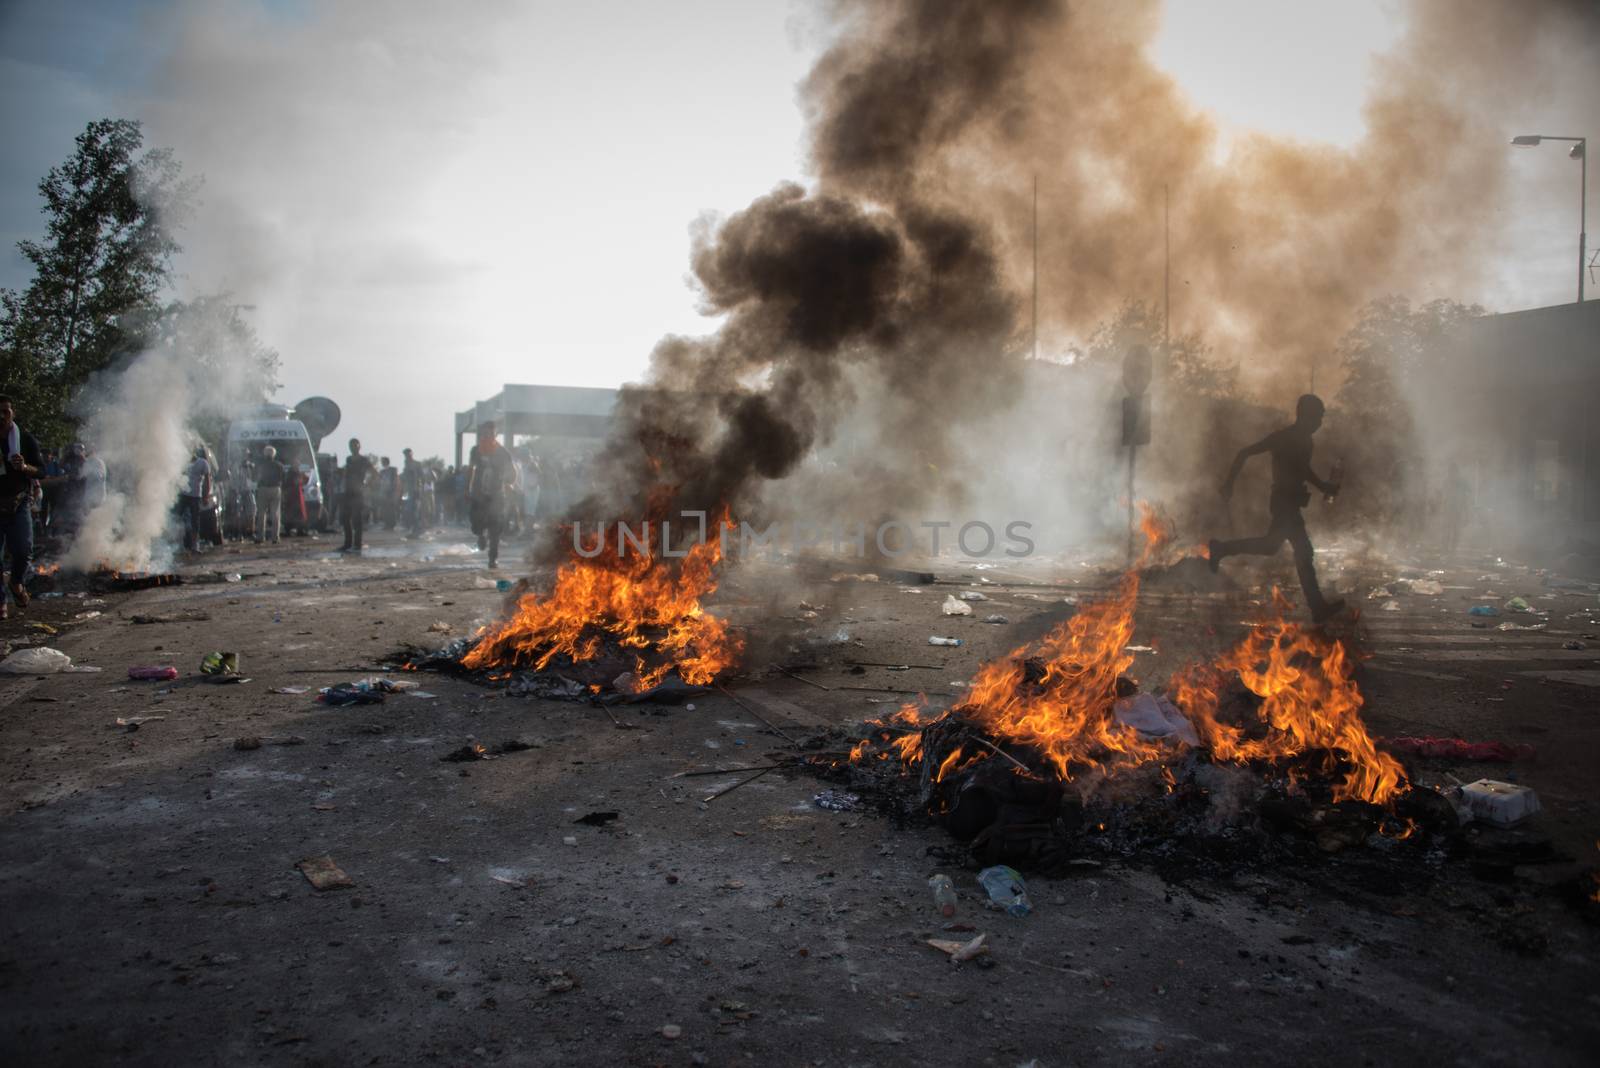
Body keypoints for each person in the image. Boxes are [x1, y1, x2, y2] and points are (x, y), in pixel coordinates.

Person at [1208, 394, 1345, 623]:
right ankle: (1317, 606)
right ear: (1304, 415)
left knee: (1272, 546)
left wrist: (1323, 486)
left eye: (1321, 418)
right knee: (1302, 551)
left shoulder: (1305, 440)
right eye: (1317, 417)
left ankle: (1221, 549)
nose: (1319, 423)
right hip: (1283, 502)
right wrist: (1229, 483)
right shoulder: (1284, 438)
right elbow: (1244, 453)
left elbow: (1303, 469)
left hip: (1290, 502)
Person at [0, 395, 44, 620]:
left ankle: (16, 582)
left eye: (5, 412)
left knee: (23, 550)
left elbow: (42, 471)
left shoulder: (25, 440)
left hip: (18, 503)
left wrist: (25, 466)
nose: (2, 417)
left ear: (12, 413)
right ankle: (1, 602)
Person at [467, 422, 516, 569]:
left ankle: (492, 557)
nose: (486, 436)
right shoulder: (475, 451)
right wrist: (466, 488)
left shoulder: (503, 453)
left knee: (495, 526)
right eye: (484, 433)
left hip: (496, 494)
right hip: (478, 493)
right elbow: (471, 470)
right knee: (476, 523)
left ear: (495, 435)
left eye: (490, 433)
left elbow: (512, 473)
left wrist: (509, 482)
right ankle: (481, 535)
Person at [339, 438, 375, 552]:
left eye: (355, 445)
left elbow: (374, 472)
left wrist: (367, 484)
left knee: (357, 519)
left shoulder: (364, 460)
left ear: (359, 447)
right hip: (348, 491)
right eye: (351, 446)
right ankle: (348, 543)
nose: (353, 448)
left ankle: (357, 543)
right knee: (345, 518)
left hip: (359, 492)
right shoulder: (349, 459)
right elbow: (345, 474)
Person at [179, 444, 212, 553]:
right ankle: (179, 544)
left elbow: (207, 480)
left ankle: (194, 545)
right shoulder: (181, 463)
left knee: (195, 522)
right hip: (182, 494)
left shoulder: (202, 463)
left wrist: (205, 495)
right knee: (178, 519)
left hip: (195, 496)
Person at [254, 446, 284, 543]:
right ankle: (275, 537)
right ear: (274, 455)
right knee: (275, 514)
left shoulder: (261, 465)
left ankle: (260, 537)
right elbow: (283, 478)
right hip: (275, 489)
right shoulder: (279, 465)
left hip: (263, 489)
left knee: (261, 514)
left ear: (264, 454)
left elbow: (255, 477)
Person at [400, 448, 422, 537]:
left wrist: (419, 489)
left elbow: (421, 477)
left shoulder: (417, 464)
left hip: (415, 490)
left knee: (414, 510)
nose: (407, 457)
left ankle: (416, 530)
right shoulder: (406, 464)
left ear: (412, 454)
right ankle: (413, 529)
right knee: (407, 510)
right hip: (407, 491)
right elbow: (404, 478)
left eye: (408, 455)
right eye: (405, 455)